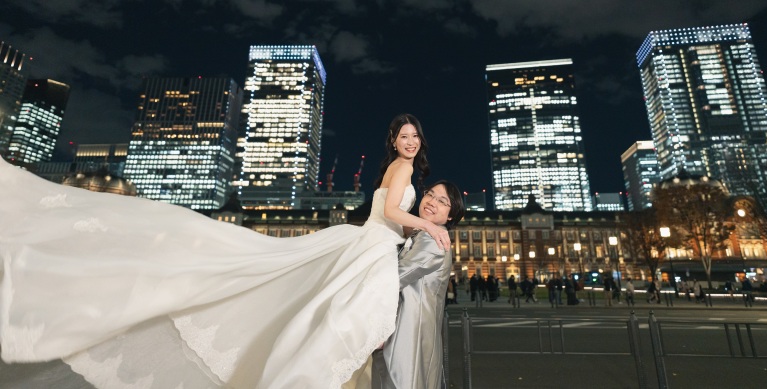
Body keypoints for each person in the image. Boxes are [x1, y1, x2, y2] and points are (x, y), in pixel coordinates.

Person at [0, 113, 450, 388]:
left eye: (414, 136)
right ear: (394, 141)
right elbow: (392, 209)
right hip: (373, 246)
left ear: (418, 141)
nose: (410, 141)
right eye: (403, 135)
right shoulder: (403, 168)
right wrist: (427, 223)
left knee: (327, 315)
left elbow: (389, 213)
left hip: (372, 244)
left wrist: (416, 229)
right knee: (342, 323)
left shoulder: (403, 167)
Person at [372, 180, 465, 389]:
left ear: (451, 215)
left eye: (442, 201)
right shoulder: (424, 234)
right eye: (430, 194)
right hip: (408, 329)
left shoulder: (434, 240)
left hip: (409, 333)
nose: (432, 201)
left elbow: (395, 277)